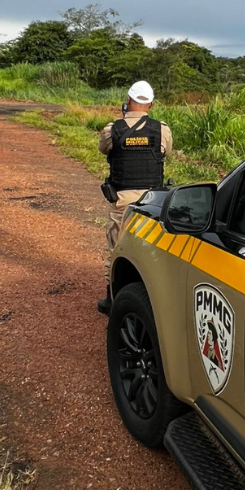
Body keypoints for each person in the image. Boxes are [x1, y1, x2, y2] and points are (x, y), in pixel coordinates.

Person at [97, 80, 172, 314]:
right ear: (150, 103)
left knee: (117, 249)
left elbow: (104, 149)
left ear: (128, 100)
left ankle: (114, 300)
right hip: (154, 203)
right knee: (152, 251)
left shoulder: (112, 130)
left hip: (123, 202)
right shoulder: (162, 130)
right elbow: (165, 152)